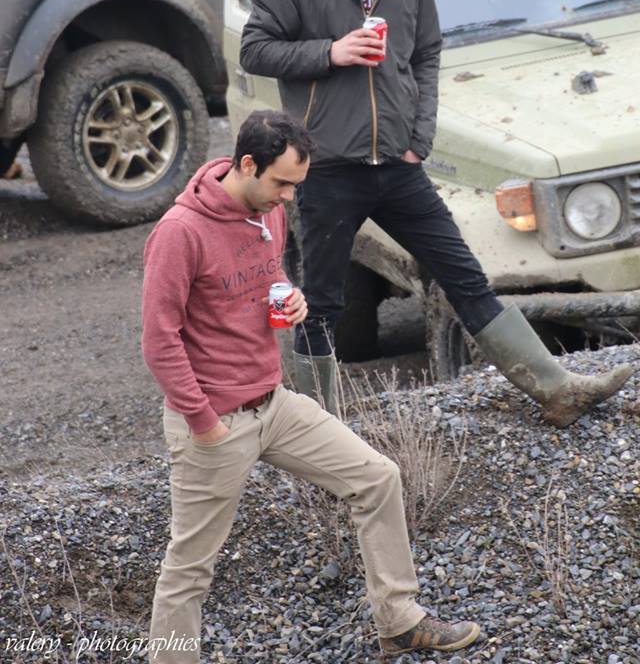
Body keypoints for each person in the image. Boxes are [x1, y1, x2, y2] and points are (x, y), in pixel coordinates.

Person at [239, 0, 634, 426]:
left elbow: (426, 55)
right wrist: (331, 52)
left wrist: (417, 139)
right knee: (321, 302)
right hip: (325, 166)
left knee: (467, 278)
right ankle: (310, 431)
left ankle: (557, 390)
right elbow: (256, 50)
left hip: (399, 165)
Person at [141, 109, 481, 663]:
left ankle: (399, 620)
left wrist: (288, 296)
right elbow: (159, 341)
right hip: (214, 422)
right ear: (246, 164)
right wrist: (203, 423)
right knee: (190, 569)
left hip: (274, 404)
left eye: (296, 186)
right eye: (281, 184)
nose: (289, 199)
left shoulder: (267, 213)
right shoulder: (180, 233)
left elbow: (267, 275)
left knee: (377, 478)